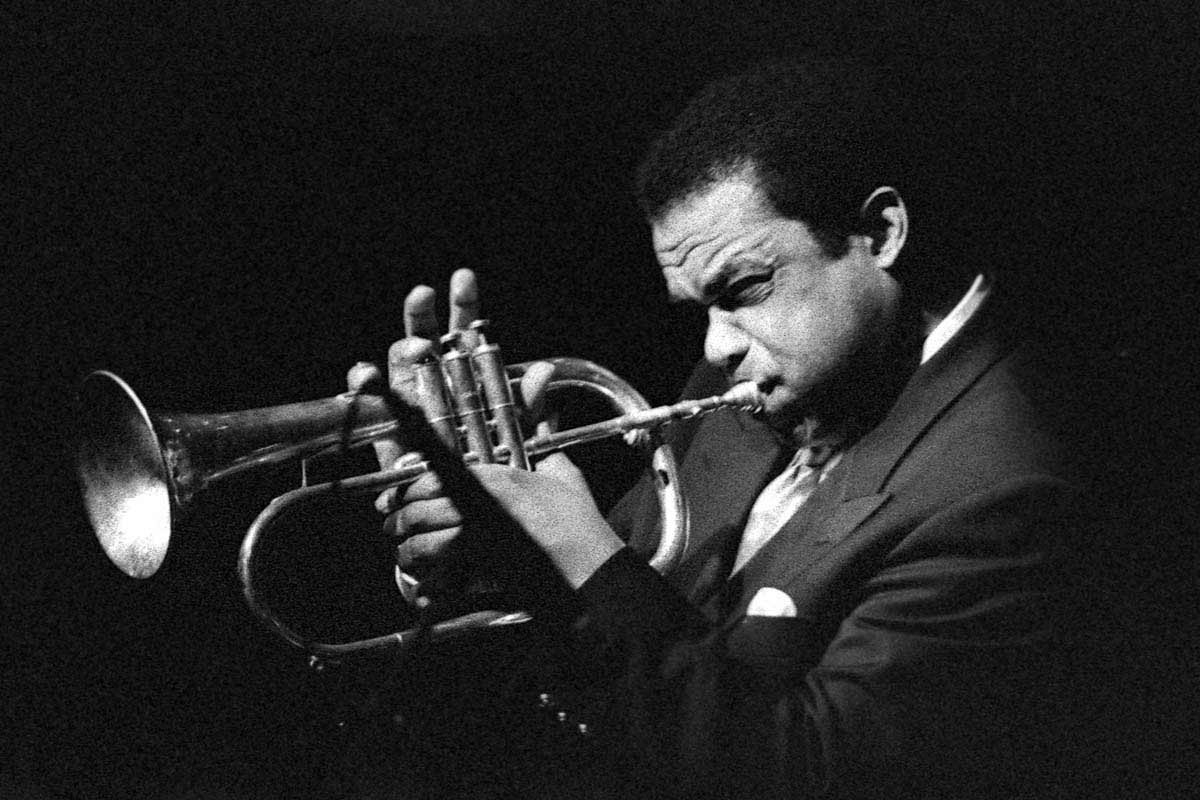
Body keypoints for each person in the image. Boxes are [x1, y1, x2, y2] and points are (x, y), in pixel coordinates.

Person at [356, 59, 1104, 799]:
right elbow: (610, 633)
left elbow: (806, 768)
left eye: (745, 288)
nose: (716, 347)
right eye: (699, 308)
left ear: (880, 233)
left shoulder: (1009, 485)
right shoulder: (761, 378)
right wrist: (472, 538)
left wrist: (575, 545)